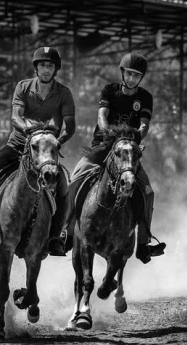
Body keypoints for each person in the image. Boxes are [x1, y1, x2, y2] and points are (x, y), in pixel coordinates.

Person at [0, 46, 75, 256]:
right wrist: (28, 130)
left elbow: (70, 124)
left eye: (50, 66)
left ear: (56, 70)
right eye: (42, 65)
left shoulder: (64, 93)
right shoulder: (23, 86)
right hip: (18, 143)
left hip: (46, 150)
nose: (46, 69)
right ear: (36, 68)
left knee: (64, 187)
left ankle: (55, 238)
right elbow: (15, 117)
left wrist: (57, 141)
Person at [68, 52, 165, 264]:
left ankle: (143, 243)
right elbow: (102, 116)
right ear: (122, 73)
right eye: (129, 74)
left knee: (147, 191)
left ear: (141, 78)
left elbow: (145, 124)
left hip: (128, 151)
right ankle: (65, 233)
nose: (131, 78)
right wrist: (108, 134)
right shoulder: (109, 90)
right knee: (74, 181)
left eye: (136, 75)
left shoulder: (145, 97)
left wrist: (138, 135)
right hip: (103, 147)